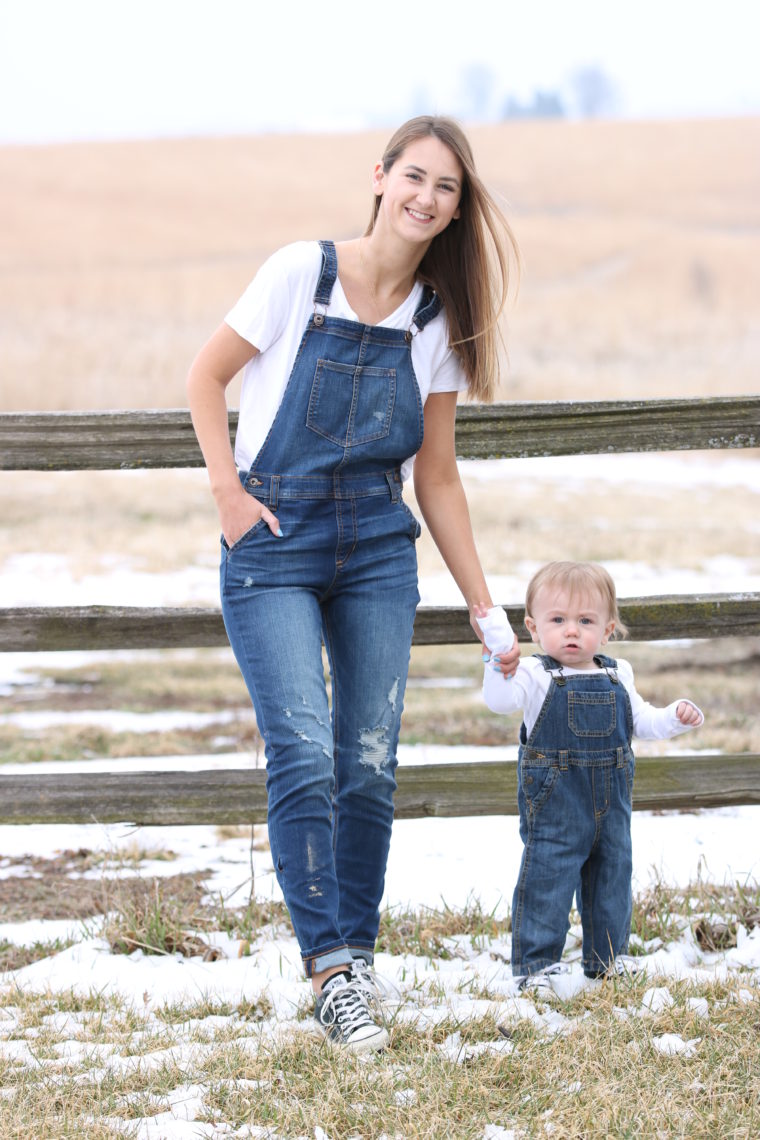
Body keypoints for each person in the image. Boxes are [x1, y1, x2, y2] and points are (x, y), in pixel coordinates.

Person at [187, 116, 521, 1051]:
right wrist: (228, 495)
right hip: (275, 541)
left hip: (376, 544)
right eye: (414, 177)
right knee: (301, 752)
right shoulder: (303, 272)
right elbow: (205, 380)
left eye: (446, 188)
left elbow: (439, 476)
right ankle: (328, 967)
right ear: (379, 179)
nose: (426, 197)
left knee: (368, 760)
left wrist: (486, 606)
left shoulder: (438, 320)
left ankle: (356, 957)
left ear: (457, 208)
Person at [476, 561, 704, 1000]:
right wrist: (496, 663)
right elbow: (500, 702)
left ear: (608, 628)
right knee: (548, 878)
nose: (571, 631)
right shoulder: (535, 674)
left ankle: (607, 959)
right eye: (558, 620)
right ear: (533, 626)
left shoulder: (619, 674)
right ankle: (536, 967)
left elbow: (643, 722)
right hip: (556, 804)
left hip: (611, 804)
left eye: (585, 621)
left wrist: (674, 717)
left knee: (612, 875)